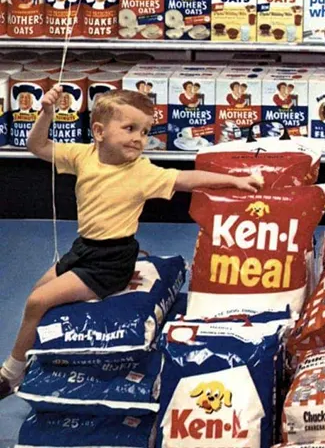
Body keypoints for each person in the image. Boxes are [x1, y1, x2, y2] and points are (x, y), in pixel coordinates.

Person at [0, 86, 263, 400]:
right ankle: (35, 357)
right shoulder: (82, 155)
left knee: (36, 302)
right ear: (98, 131)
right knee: (35, 293)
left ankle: (10, 374)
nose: (140, 138)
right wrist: (46, 113)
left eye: (145, 131)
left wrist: (235, 181)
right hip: (83, 249)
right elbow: (38, 145)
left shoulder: (142, 172)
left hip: (111, 261)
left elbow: (185, 179)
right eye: (130, 128)